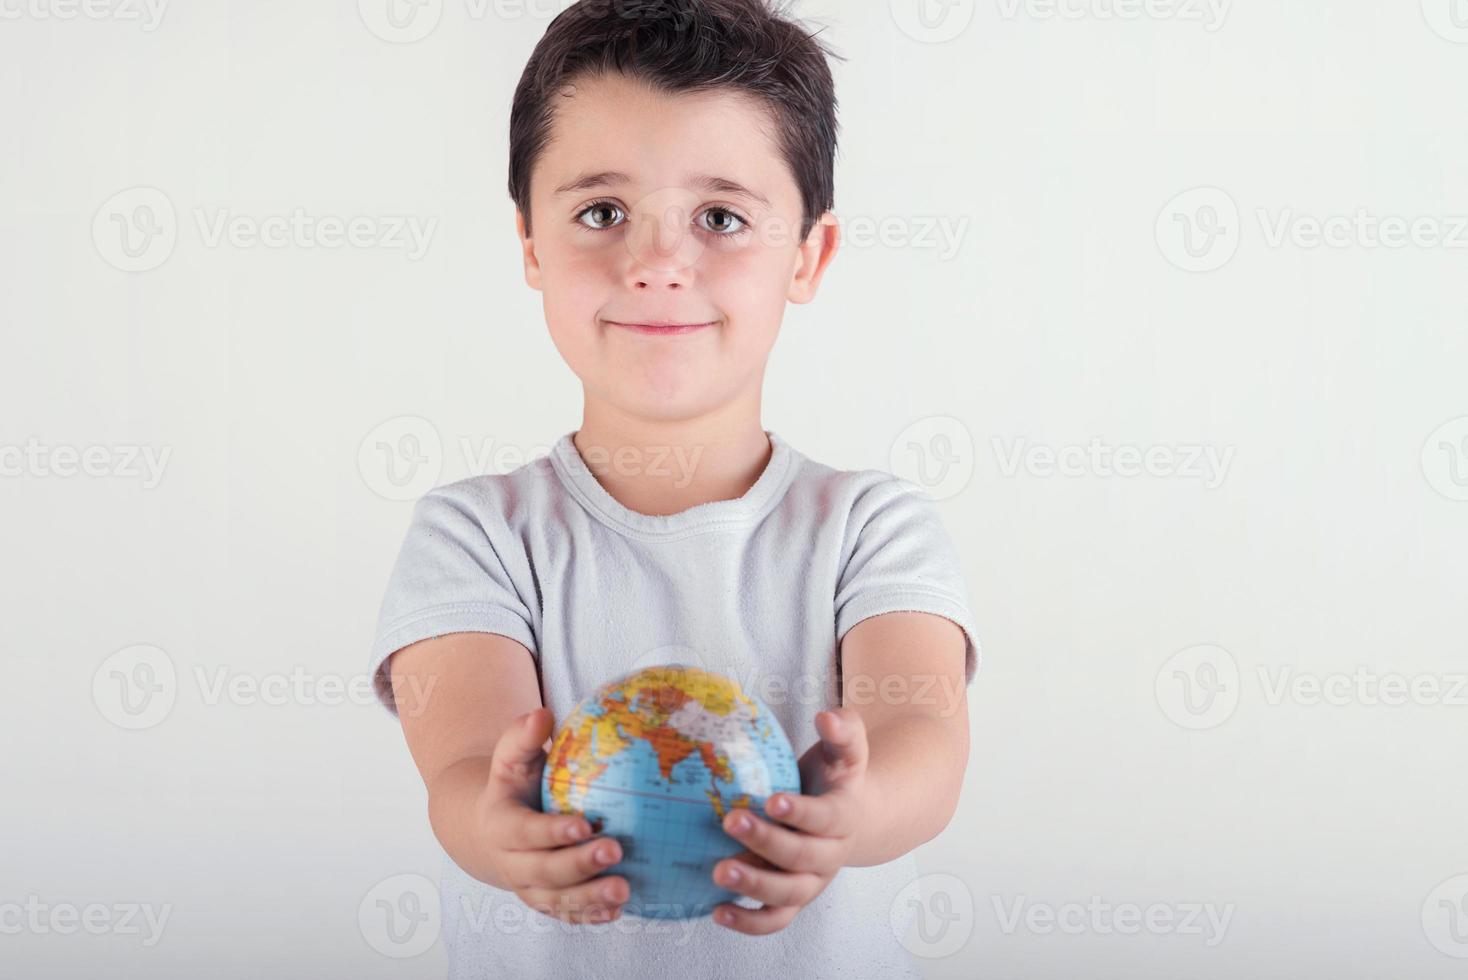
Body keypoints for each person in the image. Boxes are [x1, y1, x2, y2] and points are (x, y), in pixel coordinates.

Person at [369, 2, 981, 976]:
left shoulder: (871, 526)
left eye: (722, 217)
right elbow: (462, 768)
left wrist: (849, 813)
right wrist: (499, 827)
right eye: (601, 212)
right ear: (530, 242)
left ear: (808, 256)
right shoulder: (475, 532)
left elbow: (922, 743)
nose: (656, 265)